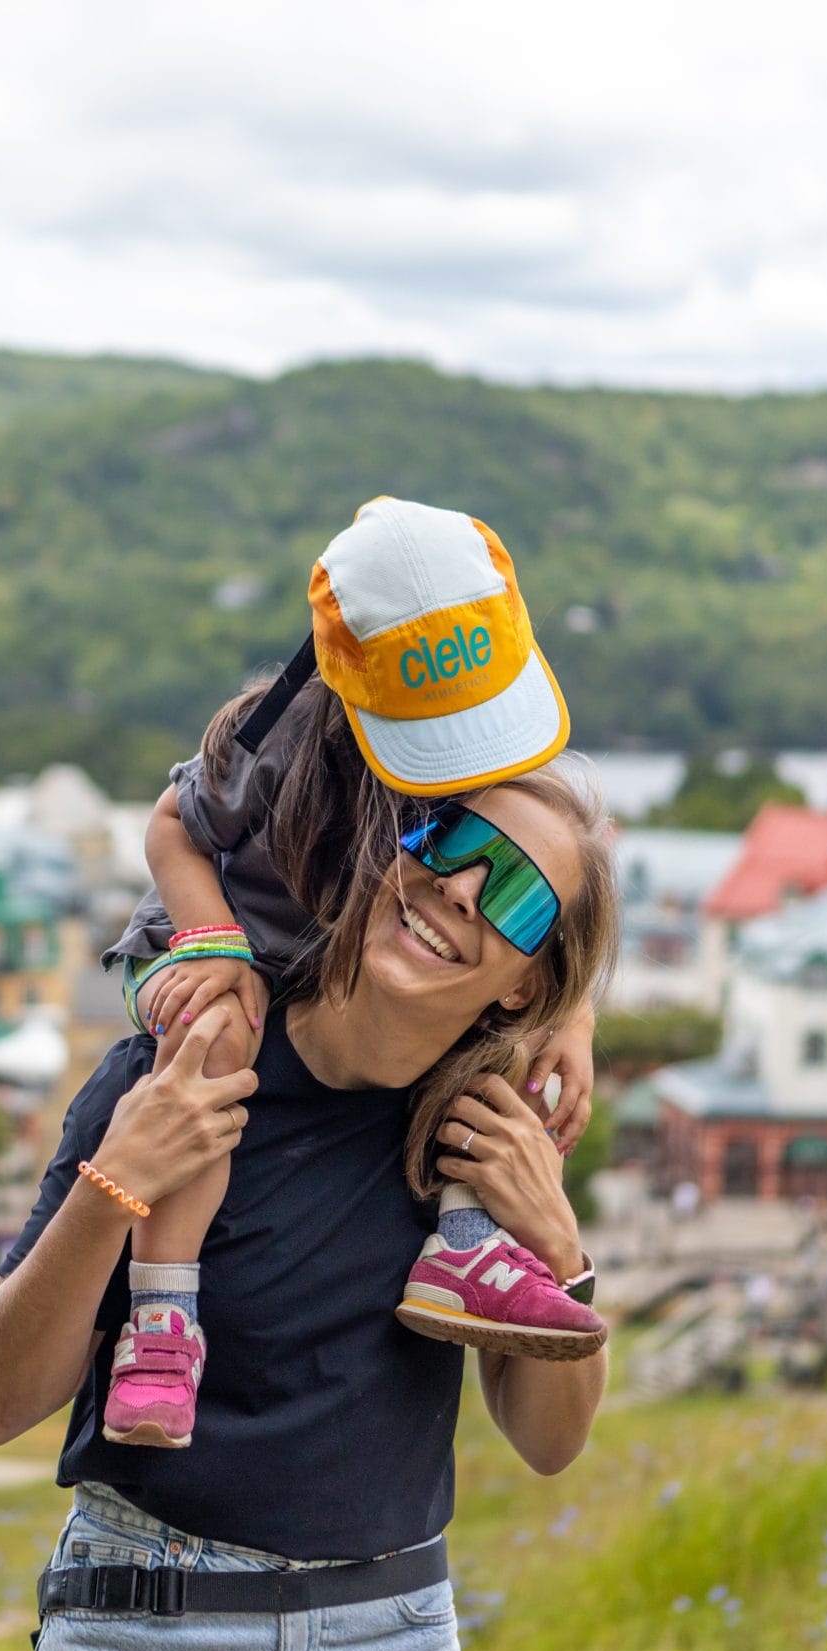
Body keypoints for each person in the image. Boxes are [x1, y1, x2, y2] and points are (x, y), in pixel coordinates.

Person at [0, 763, 619, 1651]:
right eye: (452, 843)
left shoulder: (484, 1138)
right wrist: (116, 1185)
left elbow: (550, 1442)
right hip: (142, 1646)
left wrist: (559, 1246)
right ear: (392, 850)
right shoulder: (181, 1071)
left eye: (517, 895)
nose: (463, 889)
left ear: (526, 987)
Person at [99, 497, 603, 1450]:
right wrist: (216, 943)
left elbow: (557, 885)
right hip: (219, 941)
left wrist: (570, 1018)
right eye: (440, 726)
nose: (467, 747)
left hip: (340, 960)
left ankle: (466, 1248)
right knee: (221, 1035)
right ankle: (163, 1316)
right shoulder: (275, 739)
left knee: (507, 1032)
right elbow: (172, 826)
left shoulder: (489, 759)